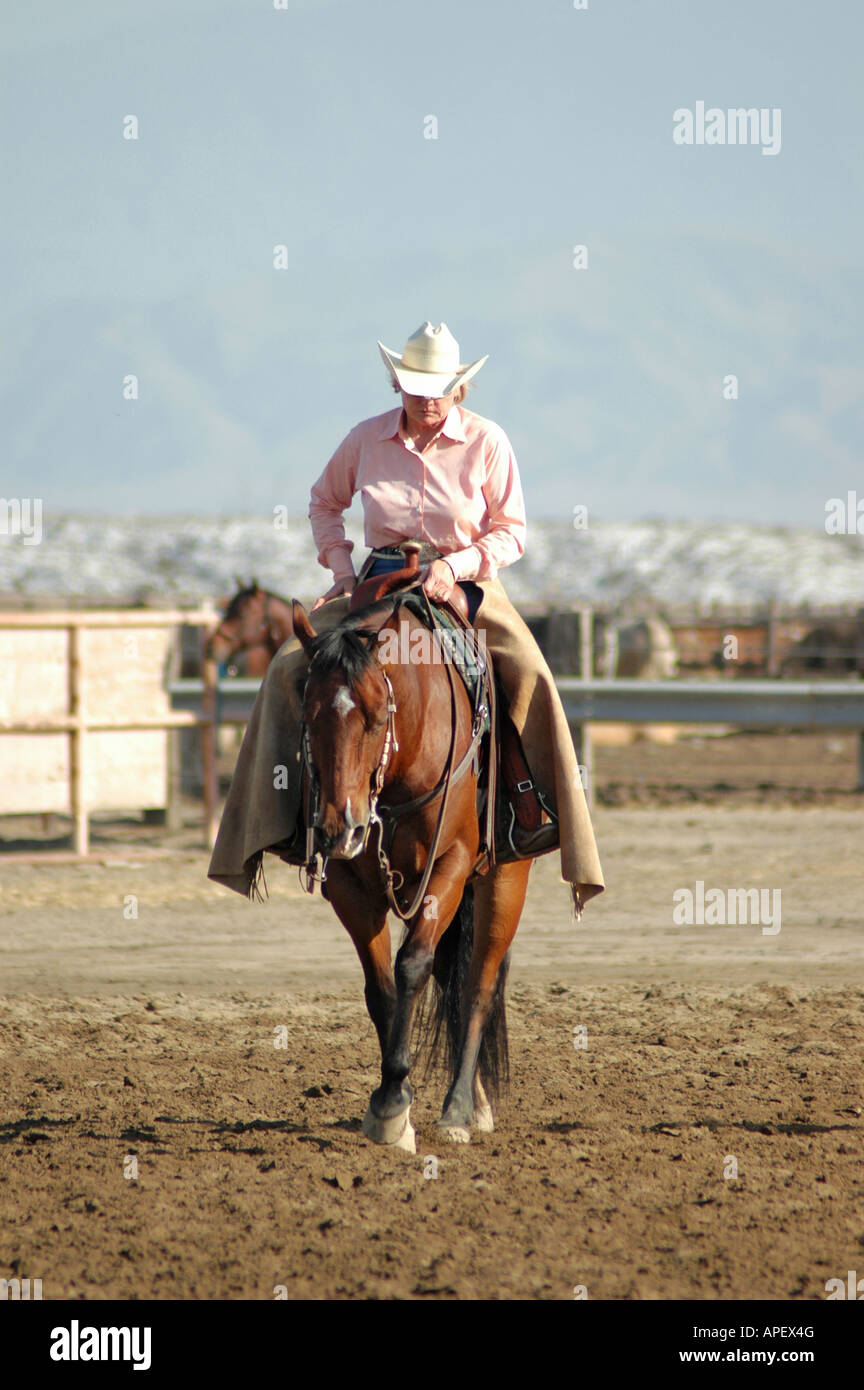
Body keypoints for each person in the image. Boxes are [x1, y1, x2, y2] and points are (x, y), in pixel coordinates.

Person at [208, 322, 604, 913]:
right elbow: (324, 502)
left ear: (459, 388)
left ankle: (537, 815)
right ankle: (278, 824)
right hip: (377, 580)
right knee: (288, 670)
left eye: (438, 387)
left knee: (530, 672)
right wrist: (341, 571)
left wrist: (460, 566)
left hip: (464, 583)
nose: (427, 398)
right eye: (416, 385)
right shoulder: (364, 439)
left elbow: (511, 532)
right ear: (398, 383)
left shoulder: (488, 442)